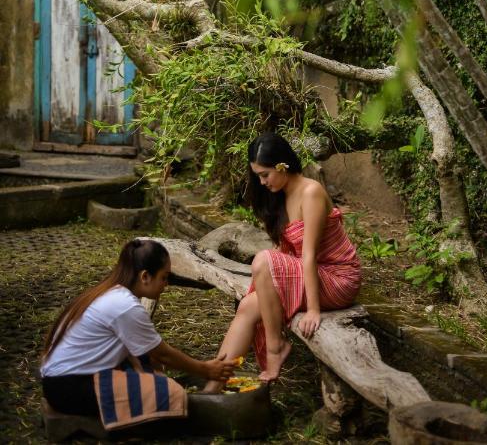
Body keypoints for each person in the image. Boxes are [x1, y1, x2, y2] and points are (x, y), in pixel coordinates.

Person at [204, 132, 362, 390]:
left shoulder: (311, 192)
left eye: (265, 174)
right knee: (246, 308)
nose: (262, 182)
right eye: (257, 176)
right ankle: (211, 390)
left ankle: (275, 347)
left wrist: (313, 310)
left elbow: (308, 255)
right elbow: (287, 250)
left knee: (263, 261)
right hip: (307, 273)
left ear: (283, 165)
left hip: (337, 278)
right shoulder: (279, 195)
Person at [40, 238, 236, 422]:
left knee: (149, 366)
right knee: (172, 395)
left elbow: (151, 354)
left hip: (59, 380)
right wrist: (206, 369)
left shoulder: (112, 292)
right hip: (68, 388)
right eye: (164, 277)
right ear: (145, 276)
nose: (166, 285)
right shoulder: (124, 305)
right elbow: (162, 353)